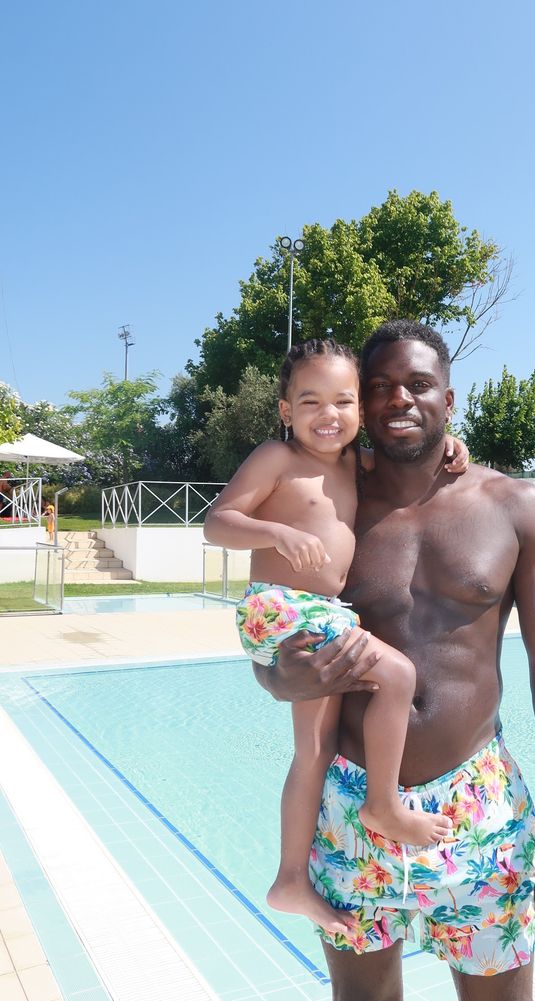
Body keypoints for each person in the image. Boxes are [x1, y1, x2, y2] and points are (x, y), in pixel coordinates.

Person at [253, 320, 535, 1001]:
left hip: (479, 805)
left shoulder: (513, 508)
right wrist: (288, 678)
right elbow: (276, 651)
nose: (397, 399)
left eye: (416, 384)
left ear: (449, 397)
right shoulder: (331, 501)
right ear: (358, 405)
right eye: (377, 388)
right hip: (351, 803)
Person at [203, 338, 467, 939]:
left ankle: (290, 879)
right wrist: (274, 532)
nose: (329, 415)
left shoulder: (355, 463)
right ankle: (383, 805)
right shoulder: (277, 457)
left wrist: (448, 444)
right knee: (397, 676)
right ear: (284, 410)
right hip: (287, 608)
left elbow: (412, 461)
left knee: (313, 752)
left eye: (344, 402)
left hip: (317, 611)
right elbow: (218, 522)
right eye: (310, 401)